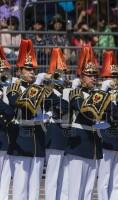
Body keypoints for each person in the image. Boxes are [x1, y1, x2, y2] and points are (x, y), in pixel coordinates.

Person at [6, 39, 46, 200]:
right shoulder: (14, 87)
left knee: (35, 185)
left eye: (33, 69)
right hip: (22, 137)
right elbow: (19, 103)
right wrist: (36, 84)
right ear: (20, 71)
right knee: (21, 185)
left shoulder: (38, 88)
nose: (32, 72)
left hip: (37, 137)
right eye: (28, 69)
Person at [64, 46, 104, 200]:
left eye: (95, 75)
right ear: (81, 77)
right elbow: (84, 109)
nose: (94, 78)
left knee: (88, 189)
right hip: (79, 143)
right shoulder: (75, 93)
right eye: (89, 75)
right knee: (75, 189)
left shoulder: (98, 94)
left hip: (93, 144)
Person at [44, 48, 69, 200]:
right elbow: (64, 107)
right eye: (58, 72)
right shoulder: (47, 92)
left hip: (66, 133)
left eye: (63, 72)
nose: (62, 76)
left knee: (65, 176)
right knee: (53, 176)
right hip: (54, 132)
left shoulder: (66, 91)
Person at [97, 50, 118, 200]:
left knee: (117, 180)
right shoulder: (99, 92)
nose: (114, 80)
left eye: (115, 76)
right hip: (105, 137)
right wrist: (104, 90)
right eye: (110, 76)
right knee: (104, 179)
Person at [0, 45, 14, 200]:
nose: (3, 74)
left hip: (6, 137)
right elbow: (7, 110)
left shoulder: (5, 88)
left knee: (5, 177)